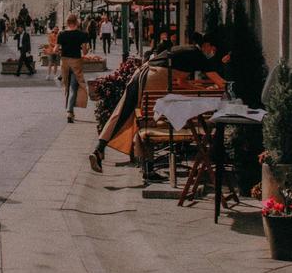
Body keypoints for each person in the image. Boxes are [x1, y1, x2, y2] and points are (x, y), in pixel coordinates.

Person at [88, 33, 227, 178]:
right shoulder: (198, 56)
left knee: (123, 112)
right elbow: (220, 83)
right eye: (213, 49)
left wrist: (201, 90)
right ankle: (148, 169)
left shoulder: (188, 51)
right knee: (149, 122)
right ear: (207, 45)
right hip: (154, 78)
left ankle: (99, 149)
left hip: (142, 73)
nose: (212, 53)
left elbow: (182, 82)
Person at [57, 14, 89, 123]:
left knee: (67, 86)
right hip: (76, 62)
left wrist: (61, 50)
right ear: (77, 22)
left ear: (67, 23)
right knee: (74, 88)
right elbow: (84, 51)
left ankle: (69, 110)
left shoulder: (61, 34)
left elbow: (56, 49)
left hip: (65, 62)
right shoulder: (82, 35)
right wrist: (84, 48)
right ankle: (70, 111)